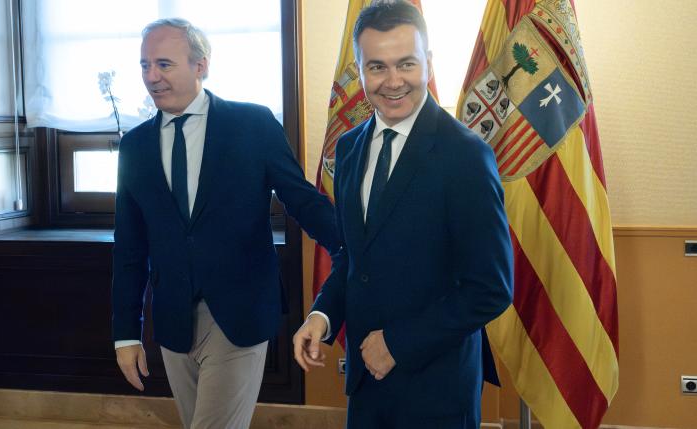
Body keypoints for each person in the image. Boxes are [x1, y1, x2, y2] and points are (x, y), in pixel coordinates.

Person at [293, 1, 513, 428]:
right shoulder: (350, 147)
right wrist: (321, 315)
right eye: (377, 67)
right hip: (366, 386)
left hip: (437, 389)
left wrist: (397, 343)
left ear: (427, 63)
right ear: (359, 70)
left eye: (406, 64)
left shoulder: (466, 155)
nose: (393, 82)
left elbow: (491, 287)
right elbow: (353, 258)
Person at [112, 18, 338, 429]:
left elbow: (301, 199)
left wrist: (356, 243)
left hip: (240, 312)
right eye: (144, 65)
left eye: (163, 64)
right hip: (174, 319)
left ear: (201, 66)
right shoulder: (136, 145)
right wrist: (126, 334)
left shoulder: (253, 125)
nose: (151, 77)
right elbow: (129, 247)